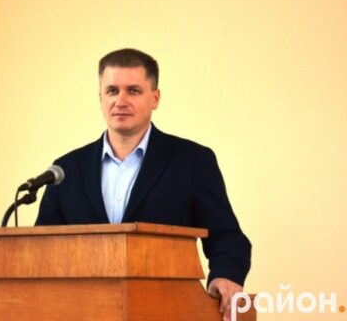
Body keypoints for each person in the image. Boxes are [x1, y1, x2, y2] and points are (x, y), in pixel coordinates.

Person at [36, 48, 251, 320]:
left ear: (155, 98)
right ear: (100, 98)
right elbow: (43, 248)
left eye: (133, 91)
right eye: (112, 91)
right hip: (81, 311)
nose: (121, 100)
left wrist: (225, 275)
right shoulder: (65, 170)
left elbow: (227, 236)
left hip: (168, 310)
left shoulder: (192, 161)